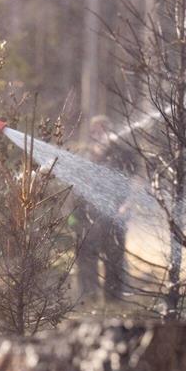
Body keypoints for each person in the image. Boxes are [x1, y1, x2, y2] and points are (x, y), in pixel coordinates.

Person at [70, 115, 136, 303]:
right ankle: (87, 297)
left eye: (103, 130)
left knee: (114, 258)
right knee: (85, 258)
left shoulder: (123, 155)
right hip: (86, 216)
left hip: (115, 216)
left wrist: (127, 205)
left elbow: (136, 182)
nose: (99, 135)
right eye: (95, 131)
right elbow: (75, 188)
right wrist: (73, 216)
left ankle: (113, 299)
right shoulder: (83, 156)